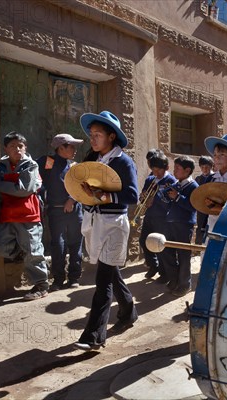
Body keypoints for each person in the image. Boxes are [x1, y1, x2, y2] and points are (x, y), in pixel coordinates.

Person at [74, 110, 139, 351]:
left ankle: (93, 337)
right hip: (95, 223)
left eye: (98, 134)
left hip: (114, 225)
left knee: (103, 280)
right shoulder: (92, 157)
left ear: (112, 136)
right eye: (91, 134)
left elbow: (133, 195)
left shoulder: (123, 161)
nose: (93, 139)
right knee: (110, 272)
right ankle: (129, 310)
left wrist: (105, 194)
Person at [0, 132, 50, 300]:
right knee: (0, 247)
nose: (17, 149)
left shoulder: (30, 165)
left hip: (28, 215)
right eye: (13, 146)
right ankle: (23, 253)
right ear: (6, 149)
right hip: (6, 216)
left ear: (25, 148)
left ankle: (41, 285)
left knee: (33, 250)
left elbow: (24, 189)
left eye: (20, 146)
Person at [36, 133, 85, 291]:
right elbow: (38, 179)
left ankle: (74, 278)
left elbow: (81, 187)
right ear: (60, 148)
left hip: (75, 211)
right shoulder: (48, 162)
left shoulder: (73, 165)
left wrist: (72, 199)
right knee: (58, 245)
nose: (74, 149)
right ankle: (58, 280)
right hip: (55, 212)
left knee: (75, 244)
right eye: (71, 146)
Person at [161, 156, 199, 297]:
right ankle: (174, 279)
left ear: (187, 170)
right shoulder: (176, 184)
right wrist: (166, 195)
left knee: (183, 256)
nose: (174, 171)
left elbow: (193, 206)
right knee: (166, 251)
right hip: (170, 223)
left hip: (184, 225)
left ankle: (184, 285)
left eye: (177, 168)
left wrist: (177, 197)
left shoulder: (193, 186)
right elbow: (170, 204)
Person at [139, 151, 177, 282]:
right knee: (144, 241)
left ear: (166, 168)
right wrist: (143, 197)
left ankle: (164, 274)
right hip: (150, 216)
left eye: (158, 170)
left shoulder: (171, 180)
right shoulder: (150, 179)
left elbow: (172, 202)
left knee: (161, 247)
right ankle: (153, 265)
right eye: (153, 170)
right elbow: (142, 196)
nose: (156, 173)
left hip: (163, 219)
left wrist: (155, 200)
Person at [194, 156, 214, 245]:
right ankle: (198, 246)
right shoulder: (198, 179)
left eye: (207, 167)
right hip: (201, 207)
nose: (205, 169)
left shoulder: (215, 178)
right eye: (202, 167)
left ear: (211, 166)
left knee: (209, 226)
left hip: (212, 207)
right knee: (200, 226)